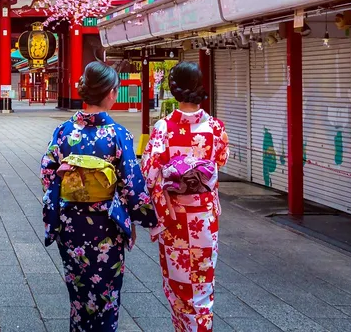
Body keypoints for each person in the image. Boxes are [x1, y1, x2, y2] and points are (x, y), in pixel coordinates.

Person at [41, 62, 157, 332]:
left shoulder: (64, 132)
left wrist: (64, 181)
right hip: (105, 226)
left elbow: (48, 175)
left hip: (70, 224)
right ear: (110, 93)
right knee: (106, 297)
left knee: (79, 294)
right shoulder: (117, 135)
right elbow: (131, 185)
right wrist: (148, 220)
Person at [143, 62, 229, 332]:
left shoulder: (163, 128)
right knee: (203, 287)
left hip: (175, 218)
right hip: (204, 219)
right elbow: (221, 160)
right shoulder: (215, 128)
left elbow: (149, 171)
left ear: (174, 89)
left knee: (179, 287)